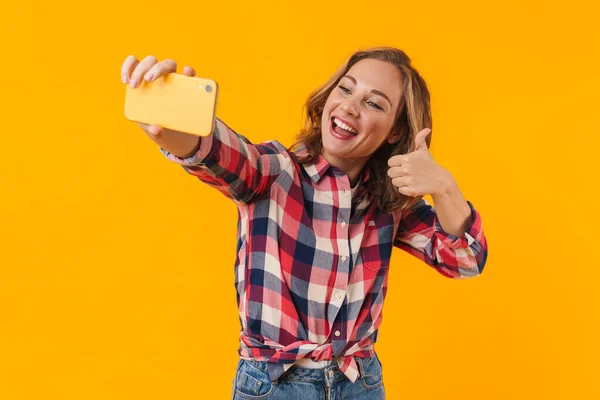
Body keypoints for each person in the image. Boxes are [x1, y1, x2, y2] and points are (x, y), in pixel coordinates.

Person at [120, 47, 488, 400]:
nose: (350, 106)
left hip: (359, 383)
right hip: (276, 385)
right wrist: (170, 127)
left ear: (395, 131)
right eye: (346, 88)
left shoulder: (389, 203)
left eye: (374, 103)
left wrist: (443, 186)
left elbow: (465, 261)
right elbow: (214, 151)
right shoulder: (275, 171)